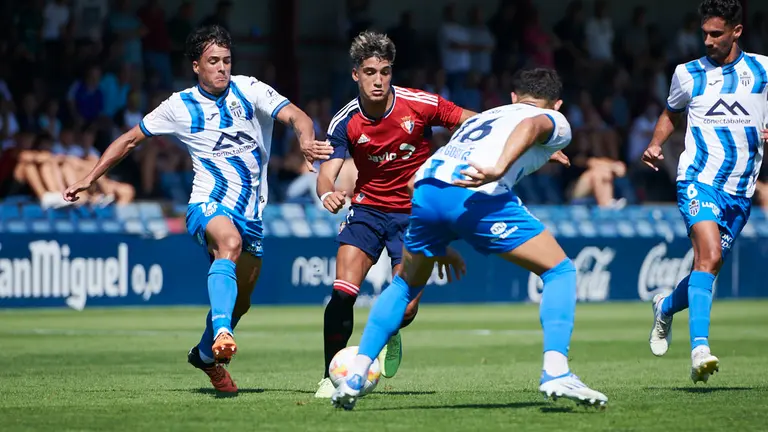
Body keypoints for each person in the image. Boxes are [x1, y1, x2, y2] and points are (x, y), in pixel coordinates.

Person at [63, 25, 332, 394]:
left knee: (241, 302)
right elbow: (129, 140)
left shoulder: (250, 89)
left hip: (252, 214)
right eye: (213, 61)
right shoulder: (179, 106)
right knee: (229, 244)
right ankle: (222, 332)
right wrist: (89, 177)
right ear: (196, 66)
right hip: (207, 203)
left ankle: (205, 355)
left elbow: (298, 117)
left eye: (226, 60)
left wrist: (305, 141)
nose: (222, 68)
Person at [330, 68, 607, 410]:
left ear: (513, 97)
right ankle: (556, 371)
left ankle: (355, 377)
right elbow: (532, 126)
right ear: (558, 104)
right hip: (477, 193)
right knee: (559, 271)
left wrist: (439, 240)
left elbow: (414, 183)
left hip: (425, 191)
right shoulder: (552, 119)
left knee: (403, 286)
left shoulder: (487, 116)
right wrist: (499, 168)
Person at [313, 31, 477, 398]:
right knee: (342, 293)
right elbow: (327, 172)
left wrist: (524, 141)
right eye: (370, 72)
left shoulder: (419, 104)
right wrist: (327, 193)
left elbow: (472, 121)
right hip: (367, 210)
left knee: (406, 308)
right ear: (356, 74)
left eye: (385, 72)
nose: (378, 80)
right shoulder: (345, 121)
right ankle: (329, 376)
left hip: (415, 215)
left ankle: (386, 334)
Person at [643, 0, 767, 384]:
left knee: (707, 266)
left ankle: (665, 306)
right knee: (708, 256)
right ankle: (700, 350)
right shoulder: (688, 73)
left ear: (737, 31)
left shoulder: (763, 69)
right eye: (705, 34)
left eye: (716, 33)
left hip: (740, 191)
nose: (709, 41)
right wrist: (656, 143)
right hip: (698, 179)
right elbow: (672, 111)